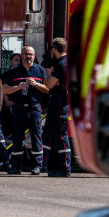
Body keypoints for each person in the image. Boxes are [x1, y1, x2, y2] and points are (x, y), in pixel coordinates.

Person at [2, 46, 49, 175]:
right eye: (26, 54)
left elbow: (48, 89)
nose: (28, 57)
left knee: (36, 137)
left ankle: (37, 166)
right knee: (17, 137)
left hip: (34, 108)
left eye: (31, 55)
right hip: (18, 108)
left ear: (34, 56)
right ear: (22, 55)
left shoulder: (40, 70)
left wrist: (36, 84)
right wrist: (18, 87)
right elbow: (4, 89)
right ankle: (16, 166)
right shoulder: (14, 71)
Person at [42, 38, 72, 177]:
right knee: (48, 132)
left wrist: (48, 76)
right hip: (61, 99)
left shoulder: (61, 64)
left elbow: (48, 84)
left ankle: (65, 168)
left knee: (60, 134)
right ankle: (44, 164)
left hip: (60, 99)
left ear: (54, 49)